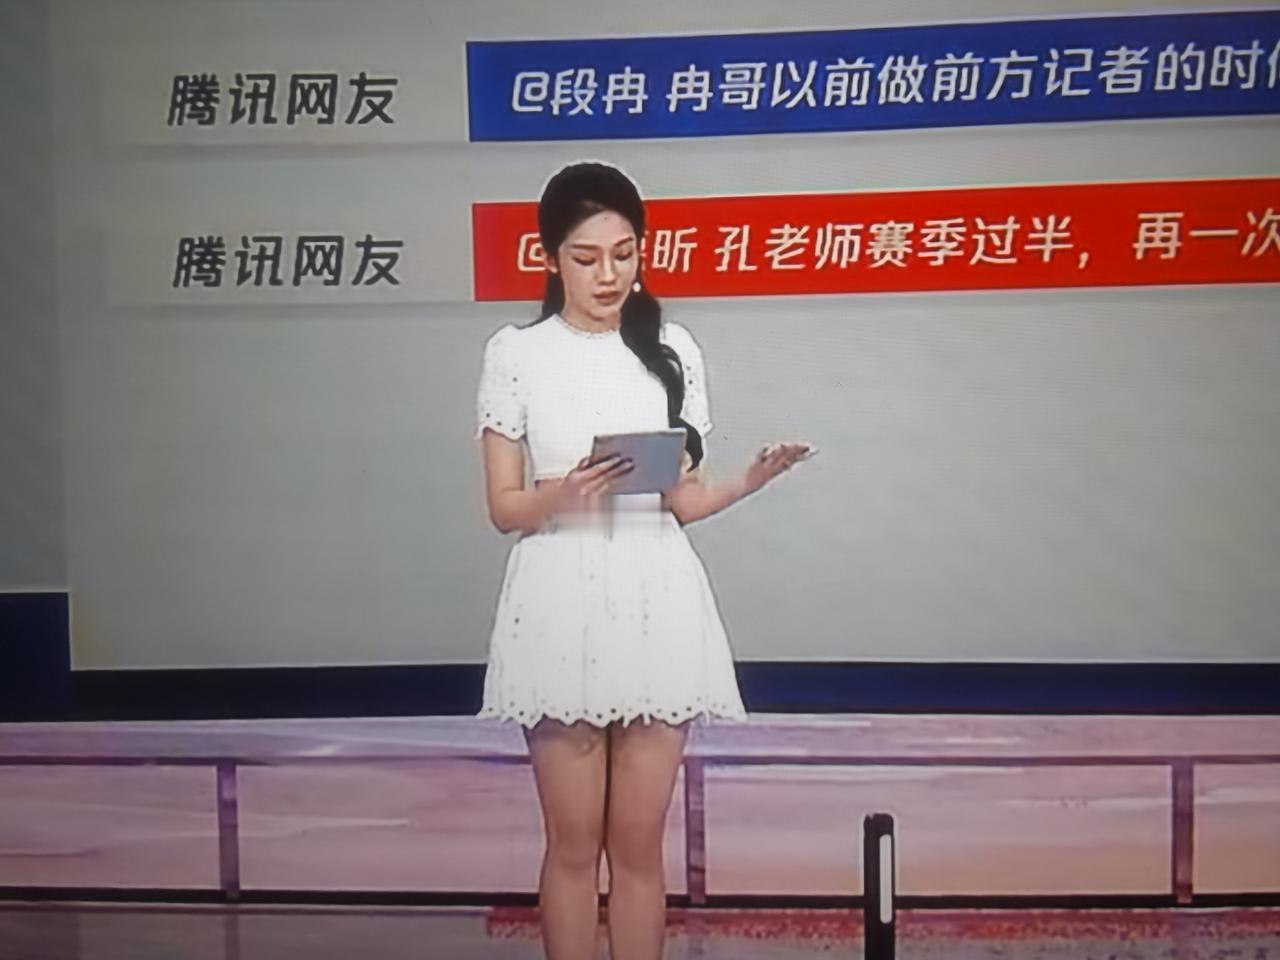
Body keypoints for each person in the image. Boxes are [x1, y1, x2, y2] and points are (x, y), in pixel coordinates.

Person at [475, 160, 812, 960]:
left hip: (656, 596)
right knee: (572, 846)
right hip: (560, 595)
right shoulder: (517, 353)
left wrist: (750, 480)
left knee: (636, 846)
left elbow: (681, 502)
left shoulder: (673, 350)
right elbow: (503, 507)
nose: (610, 275)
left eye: (624, 255)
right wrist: (567, 492)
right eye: (588, 258)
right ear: (549, 258)